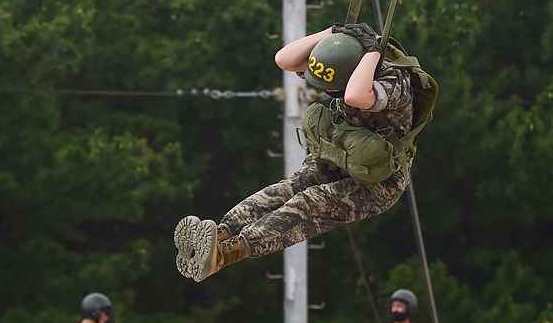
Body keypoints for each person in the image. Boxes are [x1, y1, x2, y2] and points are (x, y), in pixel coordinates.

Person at [175, 22, 436, 281]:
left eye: (333, 87)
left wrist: (372, 52)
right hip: (340, 156)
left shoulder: (393, 81)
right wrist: (333, 33)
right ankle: (221, 234)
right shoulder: (342, 61)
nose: (328, 92)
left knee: (310, 202)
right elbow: (284, 59)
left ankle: (225, 254)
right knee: (290, 188)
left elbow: (354, 96)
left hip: (377, 181)